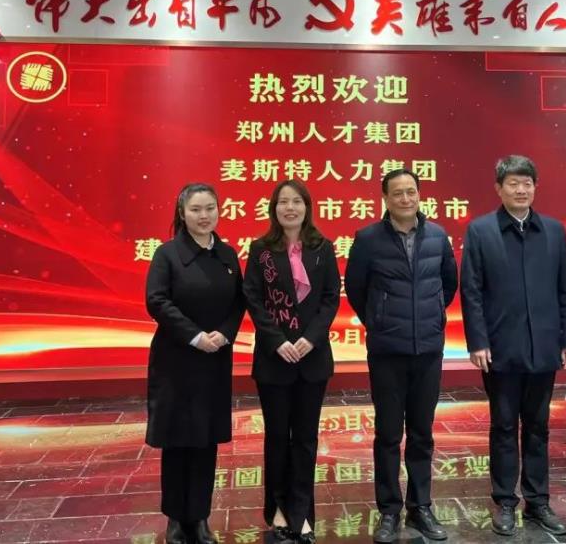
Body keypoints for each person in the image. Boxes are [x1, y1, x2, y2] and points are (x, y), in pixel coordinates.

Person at [460, 155, 566, 537]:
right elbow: (471, 290)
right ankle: (505, 502)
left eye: (527, 183)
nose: (521, 189)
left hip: (543, 346)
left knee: (538, 426)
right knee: (503, 426)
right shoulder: (481, 231)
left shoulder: (554, 231)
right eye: (513, 183)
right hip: (500, 348)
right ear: (499, 188)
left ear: (535, 187)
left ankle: (538, 501)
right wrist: (478, 341)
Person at [345, 168, 458, 544]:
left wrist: (431, 319)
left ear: (420, 195)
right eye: (398, 193)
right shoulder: (367, 239)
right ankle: (390, 510)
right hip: (387, 352)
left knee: (423, 433)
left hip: (428, 349)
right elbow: (356, 289)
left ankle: (421, 506)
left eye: (411, 191)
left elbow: (448, 284)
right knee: (389, 434)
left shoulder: (438, 236)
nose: (405, 198)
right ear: (385, 198)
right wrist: (379, 321)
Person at [145, 183, 245, 544]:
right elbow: (157, 301)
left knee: (205, 440)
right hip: (176, 360)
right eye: (196, 210)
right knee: (177, 440)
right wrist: (195, 336)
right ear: (182, 213)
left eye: (210, 209)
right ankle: (176, 518)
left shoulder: (227, 254)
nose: (204, 216)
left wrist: (225, 334)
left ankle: (200, 517)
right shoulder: (167, 254)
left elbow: (239, 302)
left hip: (214, 360)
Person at [243, 180, 341, 544]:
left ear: (306, 207)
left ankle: (302, 514)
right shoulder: (261, 249)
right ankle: (278, 510)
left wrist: (310, 339)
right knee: (276, 438)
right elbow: (253, 298)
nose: (290, 208)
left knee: (305, 438)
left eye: (296, 201)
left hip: (312, 359)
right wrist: (278, 341)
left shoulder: (322, 248)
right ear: (274, 209)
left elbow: (330, 298)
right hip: (274, 359)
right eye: (283, 202)